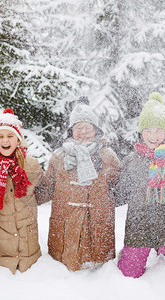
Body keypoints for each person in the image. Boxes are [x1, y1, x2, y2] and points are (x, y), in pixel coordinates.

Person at [114, 92, 165, 278]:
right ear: (141, 132)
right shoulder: (131, 161)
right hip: (139, 231)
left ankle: (164, 250)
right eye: (148, 131)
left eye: (158, 130)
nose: (153, 136)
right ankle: (129, 253)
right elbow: (118, 196)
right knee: (128, 274)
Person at [35, 97, 121, 271]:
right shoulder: (59, 157)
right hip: (66, 233)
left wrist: (102, 205)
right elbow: (45, 189)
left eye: (87, 127)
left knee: (99, 275)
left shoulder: (108, 157)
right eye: (78, 128)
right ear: (70, 132)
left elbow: (121, 189)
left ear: (96, 131)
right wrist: (22, 196)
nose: (83, 132)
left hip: (98, 232)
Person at [0, 108, 44, 274]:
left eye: (10, 136)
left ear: (18, 139)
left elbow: (45, 191)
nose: (5, 141)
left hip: (30, 257)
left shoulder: (31, 164)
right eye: (0, 136)